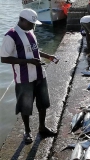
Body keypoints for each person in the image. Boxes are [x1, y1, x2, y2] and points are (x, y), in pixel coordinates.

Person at [0, 8, 58, 144]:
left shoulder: (30, 31)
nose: (33, 26)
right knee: (25, 105)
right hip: (23, 78)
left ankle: (42, 127)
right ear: (21, 20)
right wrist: (28, 61)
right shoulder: (11, 35)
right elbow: (4, 58)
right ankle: (27, 131)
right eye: (31, 23)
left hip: (39, 74)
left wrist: (47, 56)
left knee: (43, 103)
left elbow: (35, 50)